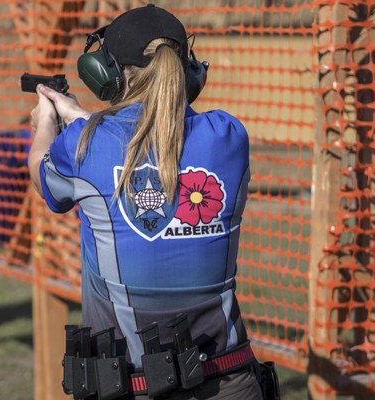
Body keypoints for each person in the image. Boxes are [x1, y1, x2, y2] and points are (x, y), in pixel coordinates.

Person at [27, 4, 263, 400]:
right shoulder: (229, 136)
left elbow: (43, 176)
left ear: (106, 74)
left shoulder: (83, 145)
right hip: (231, 382)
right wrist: (85, 122)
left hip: (131, 386)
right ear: (189, 72)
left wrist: (47, 126)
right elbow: (142, 139)